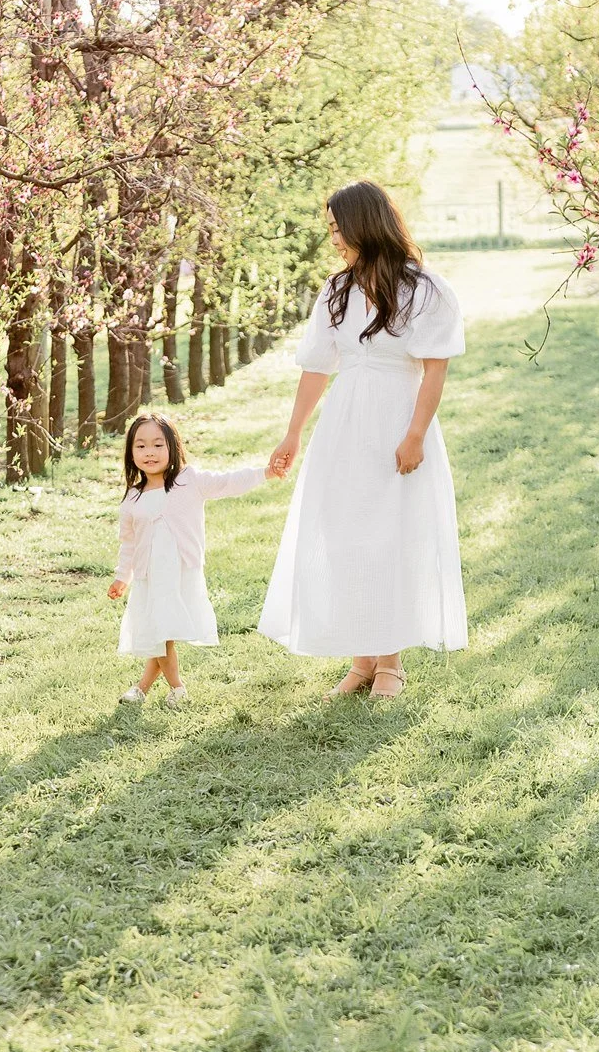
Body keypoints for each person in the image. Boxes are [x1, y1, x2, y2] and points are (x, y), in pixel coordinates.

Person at [259, 179, 467, 697]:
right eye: (329, 229)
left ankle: (391, 663)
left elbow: (434, 371)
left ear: (364, 224)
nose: (333, 239)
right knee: (344, 534)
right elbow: (315, 370)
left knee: (390, 535)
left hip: (397, 419)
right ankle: (361, 661)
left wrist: (415, 434)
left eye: (338, 228)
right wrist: (292, 434)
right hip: (344, 425)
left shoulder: (424, 291)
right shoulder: (336, 291)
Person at [108, 411, 276, 707]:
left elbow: (228, 482)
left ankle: (173, 689)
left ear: (173, 447)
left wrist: (265, 472)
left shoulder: (189, 480)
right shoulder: (132, 498)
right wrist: (123, 576)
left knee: (162, 633)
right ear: (130, 452)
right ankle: (147, 688)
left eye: (158, 445)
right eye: (141, 445)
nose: (150, 452)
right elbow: (129, 544)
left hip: (179, 572)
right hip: (150, 576)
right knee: (160, 633)